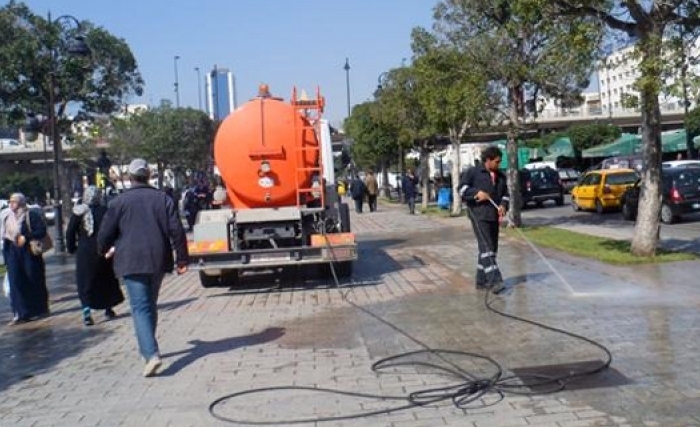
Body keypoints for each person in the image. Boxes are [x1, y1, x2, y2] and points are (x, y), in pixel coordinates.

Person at [98, 159, 189, 377]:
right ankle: (148, 347)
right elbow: (176, 230)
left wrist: (102, 249)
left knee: (140, 308)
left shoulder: (119, 202)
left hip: (130, 260)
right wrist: (182, 259)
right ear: (148, 175)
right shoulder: (163, 199)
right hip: (157, 259)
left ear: (129, 177)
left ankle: (150, 354)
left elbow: (105, 232)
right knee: (149, 304)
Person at [66, 186, 124, 326]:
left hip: (85, 253)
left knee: (85, 282)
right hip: (102, 251)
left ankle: (86, 312)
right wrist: (113, 246)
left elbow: (70, 233)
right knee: (105, 279)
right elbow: (114, 230)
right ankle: (108, 308)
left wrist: (72, 248)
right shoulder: (105, 211)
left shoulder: (78, 212)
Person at [459, 146, 509, 293]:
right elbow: (461, 189)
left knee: (491, 249)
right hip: (478, 215)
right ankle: (495, 281)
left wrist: (503, 205)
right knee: (486, 247)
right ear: (488, 160)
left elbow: (505, 194)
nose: (498, 164)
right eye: (497, 161)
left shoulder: (501, 176)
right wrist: (476, 194)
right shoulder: (473, 173)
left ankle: (481, 281)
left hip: (493, 216)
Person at [0, 193, 50, 324]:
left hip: (29, 253)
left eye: (14, 201)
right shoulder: (7, 217)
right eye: (10, 201)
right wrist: (6, 257)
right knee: (15, 281)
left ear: (21, 203)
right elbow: (6, 237)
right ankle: (21, 313)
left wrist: (26, 237)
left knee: (32, 279)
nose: (11, 204)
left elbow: (42, 231)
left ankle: (39, 309)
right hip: (13, 253)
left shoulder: (30, 215)